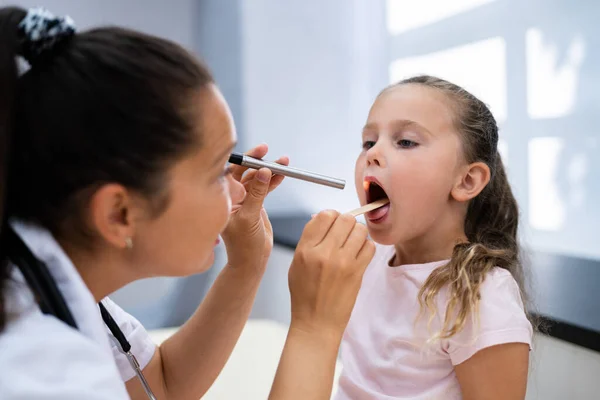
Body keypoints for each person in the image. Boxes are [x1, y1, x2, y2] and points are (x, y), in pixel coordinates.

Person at [0, 7, 375, 400]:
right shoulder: (38, 371)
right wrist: (315, 328)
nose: (238, 192)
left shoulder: (48, 279)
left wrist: (247, 264)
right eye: (216, 174)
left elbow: (159, 386)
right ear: (119, 214)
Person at [335, 75, 533, 399]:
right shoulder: (364, 260)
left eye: (406, 142)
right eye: (369, 142)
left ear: (467, 180)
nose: (372, 154)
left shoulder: (482, 296)